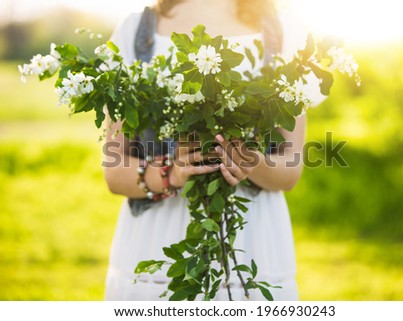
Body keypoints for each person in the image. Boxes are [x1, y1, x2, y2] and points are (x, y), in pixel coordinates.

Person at [103, 0, 322, 301]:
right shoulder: (134, 32)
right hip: (157, 239)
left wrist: (250, 163)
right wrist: (172, 172)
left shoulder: (283, 31)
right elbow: (115, 171)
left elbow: (290, 169)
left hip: (252, 244)